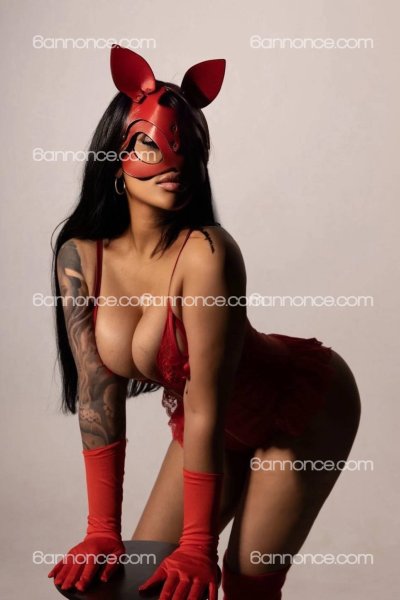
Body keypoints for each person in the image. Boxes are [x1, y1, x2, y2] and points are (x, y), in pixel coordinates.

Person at [48, 45, 361, 599]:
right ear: (116, 157)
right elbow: (98, 395)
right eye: (151, 144)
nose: (175, 163)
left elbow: (206, 403)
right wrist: (101, 531)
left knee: (244, 587)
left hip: (298, 410)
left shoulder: (208, 253)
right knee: (142, 582)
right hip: (206, 428)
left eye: (189, 149)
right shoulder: (81, 257)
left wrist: (198, 545)